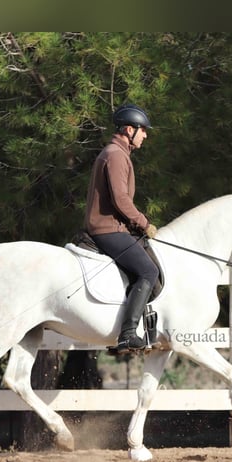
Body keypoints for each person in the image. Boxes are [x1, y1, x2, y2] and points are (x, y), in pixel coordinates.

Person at [84, 103, 159, 353]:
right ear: (129, 129)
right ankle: (127, 334)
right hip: (108, 229)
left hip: (113, 227)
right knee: (148, 271)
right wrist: (144, 223)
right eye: (143, 130)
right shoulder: (116, 155)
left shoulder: (117, 153)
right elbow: (121, 199)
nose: (146, 135)